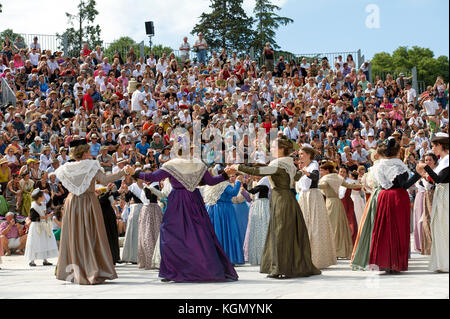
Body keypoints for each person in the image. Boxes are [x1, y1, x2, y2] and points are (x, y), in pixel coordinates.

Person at [134, 151, 238, 283]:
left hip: (177, 202)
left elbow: (152, 177)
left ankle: (171, 271)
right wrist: (225, 175)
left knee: (170, 235)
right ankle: (203, 268)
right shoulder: (198, 164)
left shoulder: (171, 165)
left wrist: (135, 173)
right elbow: (211, 181)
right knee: (199, 235)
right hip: (194, 201)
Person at [234, 136, 321, 279]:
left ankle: (280, 268)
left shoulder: (279, 164)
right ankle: (284, 266)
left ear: (281, 149)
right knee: (285, 233)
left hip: (281, 200)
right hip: (287, 199)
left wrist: (238, 167)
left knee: (280, 233)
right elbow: (296, 176)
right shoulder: (289, 164)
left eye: (274, 147)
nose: (271, 149)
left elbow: (257, 172)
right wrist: (301, 171)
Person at [54, 139, 133, 285]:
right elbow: (105, 179)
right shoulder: (91, 165)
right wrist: (124, 171)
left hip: (72, 203)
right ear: (84, 152)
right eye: (89, 151)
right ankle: (91, 269)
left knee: (75, 236)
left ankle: (74, 270)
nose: (91, 153)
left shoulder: (66, 168)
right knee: (91, 234)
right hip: (88, 202)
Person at [368, 137, 421, 274]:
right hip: (398, 197)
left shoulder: (379, 165)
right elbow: (404, 185)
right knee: (398, 229)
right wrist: (418, 174)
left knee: (384, 229)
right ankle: (395, 263)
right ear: (397, 151)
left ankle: (384, 262)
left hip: (384, 196)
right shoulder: (397, 165)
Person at [295, 146, 336, 269]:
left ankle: (317, 258)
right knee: (305, 226)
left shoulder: (313, 165)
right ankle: (305, 257)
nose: (300, 156)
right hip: (303, 197)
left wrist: (306, 173)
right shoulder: (305, 167)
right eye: (299, 154)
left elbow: (314, 176)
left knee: (315, 226)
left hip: (312, 197)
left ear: (308, 154)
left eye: (302, 154)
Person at [416, 133, 449, 273]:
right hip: (441, 194)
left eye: (434, 146)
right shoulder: (443, 160)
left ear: (440, 146)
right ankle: (442, 261)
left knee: (444, 227)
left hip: (446, 195)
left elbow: (439, 179)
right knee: (439, 227)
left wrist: (426, 168)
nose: (433, 149)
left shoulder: (447, 160)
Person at [318, 162, 361, 259]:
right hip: (338, 203)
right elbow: (349, 185)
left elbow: (322, 186)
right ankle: (339, 250)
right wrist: (361, 185)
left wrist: (311, 184)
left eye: (322, 170)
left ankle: (334, 251)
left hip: (330, 203)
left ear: (327, 171)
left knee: (332, 227)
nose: (320, 172)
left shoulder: (325, 179)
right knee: (340, 227)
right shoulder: (337, 178)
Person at [204, 168, 244, 265]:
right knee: (227, 232)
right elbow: (234, 193)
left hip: (211, 210)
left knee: (216, 233)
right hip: (224, 210)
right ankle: (227, 258)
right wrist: (238, 181)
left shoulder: (209, 185)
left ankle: (214, 258)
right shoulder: (224, 184)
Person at [351, 152, 382, 270]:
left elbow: (367, 186)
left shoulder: (372, 171)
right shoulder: (372, 171)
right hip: (376, 198)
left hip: (376, 197)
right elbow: (366, 187)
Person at [24, 189, 58, 267]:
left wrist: (52, 197)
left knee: (44, 241)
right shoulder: (34, 206)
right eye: (42, 195)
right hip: (36, 226)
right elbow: (33, 218)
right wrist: (46, 217)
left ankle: (45, 259)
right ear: (39, 197)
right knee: (35, 242)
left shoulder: (42, 204)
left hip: (43, 226)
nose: (44, 197)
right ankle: (32, 260)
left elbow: (48, 205)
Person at [137, 181, 166, 270]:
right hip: (145, 210)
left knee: (153, 234)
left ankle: (155, 260)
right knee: (144, 235)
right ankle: (146, 260)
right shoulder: (144, 186)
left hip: (153, 210)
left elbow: (150, 198)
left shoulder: (155, 186)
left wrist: (146, 188)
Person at [242, 176, 270, 266]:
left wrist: (244, 183)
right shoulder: (263, 181)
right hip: (261, 205)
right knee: (259, 229)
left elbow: (252, 191)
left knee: (261, 229)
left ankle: (262, 255)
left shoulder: (264, 181)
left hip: (261, 205)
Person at [121, 176, 145, 264]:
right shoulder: (133, 187)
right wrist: (126, 191)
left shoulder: (145, 186)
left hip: (145, 208)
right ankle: (133, 257)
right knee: (134, 232)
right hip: (136, 209)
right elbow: (127, 199)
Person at [97, 184, 121, 265]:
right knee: (107, 236)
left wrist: (120, 190)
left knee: (113, 235)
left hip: (110, 214)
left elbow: (114, 194)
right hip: (102, 215)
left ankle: (115, 257)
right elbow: (101, 199)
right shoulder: (97, 187)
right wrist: (108, 190)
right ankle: (108, 258)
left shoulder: (106, 189)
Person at [419, 153, 438, 255]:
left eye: (430, 160)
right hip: (427, 196)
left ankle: (436, 247)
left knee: (434, 220)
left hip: (436, 196)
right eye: (426, 160)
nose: (427, 162)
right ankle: (428, 248)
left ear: (434, 161)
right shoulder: (423, 172)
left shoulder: (437, 171)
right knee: (426, 220)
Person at [338, 166, 359, 245]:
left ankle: (350, 244)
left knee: (350, 223)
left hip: (348, 205)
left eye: (344, 172)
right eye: (341, 171)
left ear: (346, 173)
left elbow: (357, 188)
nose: (342, 173)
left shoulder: (349, 181)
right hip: (338, 204)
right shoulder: (335, 180)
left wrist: (358, 183)